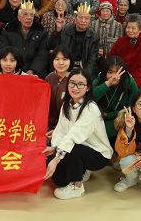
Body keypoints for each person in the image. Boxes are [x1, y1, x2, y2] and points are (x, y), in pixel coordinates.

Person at [43, 68, 113, 200]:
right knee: (59, 180)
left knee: (72, 148)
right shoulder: (67, 104)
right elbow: (60, 131)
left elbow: (74, 136)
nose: (75, 88)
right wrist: (55, 148)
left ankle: (77, 187)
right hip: (79, 147)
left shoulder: (91, 108)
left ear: (87, 88)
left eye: (80, 84)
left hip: (98, 153)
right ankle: (82, 169)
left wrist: (57, 159)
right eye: (72, 83)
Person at [92, 56, 139, 148]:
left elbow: (130, 109)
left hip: (118, 118)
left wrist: (108, 115)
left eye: (118, 72)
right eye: (110, 72)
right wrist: (107, 84)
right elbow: (89, 98)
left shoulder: (130, 83)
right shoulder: (99, 79)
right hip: (97, 116)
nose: (115, 76)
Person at [0, 2, 49, 77]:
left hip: (34, 72)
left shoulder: (41, 31)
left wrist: (33, 70)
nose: (29, 17)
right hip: (12, 70)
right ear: (19, 17)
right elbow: (4, 50)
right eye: (25, 14)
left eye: (31, 15)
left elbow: (42, 53)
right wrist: (14, 69)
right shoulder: (9, 30)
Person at [50, 4, 99, 79]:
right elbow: (52, 47)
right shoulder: (65, 30)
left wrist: (85, 76)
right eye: (81, 17)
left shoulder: (94, 37)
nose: (83, 21)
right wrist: (58, 30)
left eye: (86, 18)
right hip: (66, 65)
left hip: (83, 67)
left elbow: (92, 61)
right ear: (75, 19)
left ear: (90, 21)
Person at [45, 45, 73, 131]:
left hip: (66, 127)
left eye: (64, 59)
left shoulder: (74, 79)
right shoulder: (49, 78)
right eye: (57, 59)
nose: (61, 63)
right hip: (47, 125)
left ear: (70, 61)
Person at [92, 2, 123, 67]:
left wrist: (107, 52)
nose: (105, 13)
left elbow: (119, 43)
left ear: (111, 12)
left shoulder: (118, 25)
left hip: (111, 57)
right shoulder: (93, 24)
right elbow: (91, 41)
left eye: (107, 11)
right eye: (103, 11)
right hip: (95, 56)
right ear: (100, 12)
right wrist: (97, 50)